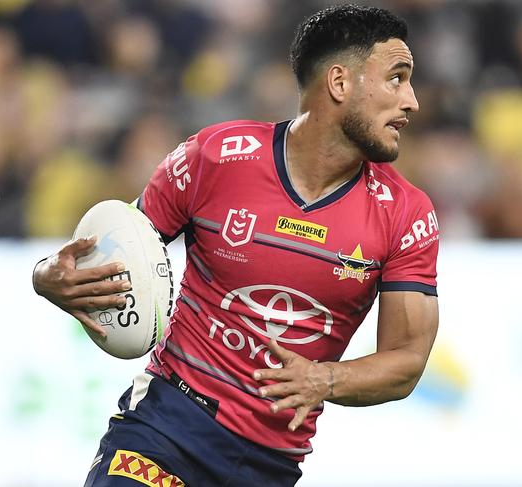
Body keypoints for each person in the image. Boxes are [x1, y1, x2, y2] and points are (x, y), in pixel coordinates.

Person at [33, 5, 440, 486]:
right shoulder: (216, 157)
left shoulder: (406, 214)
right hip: (166, 429)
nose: (412, 100)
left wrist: (324, 379)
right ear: (339, 83)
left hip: (269, 467)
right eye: (397, 78)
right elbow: (121, 251)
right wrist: (47, 277)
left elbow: (407, 361)